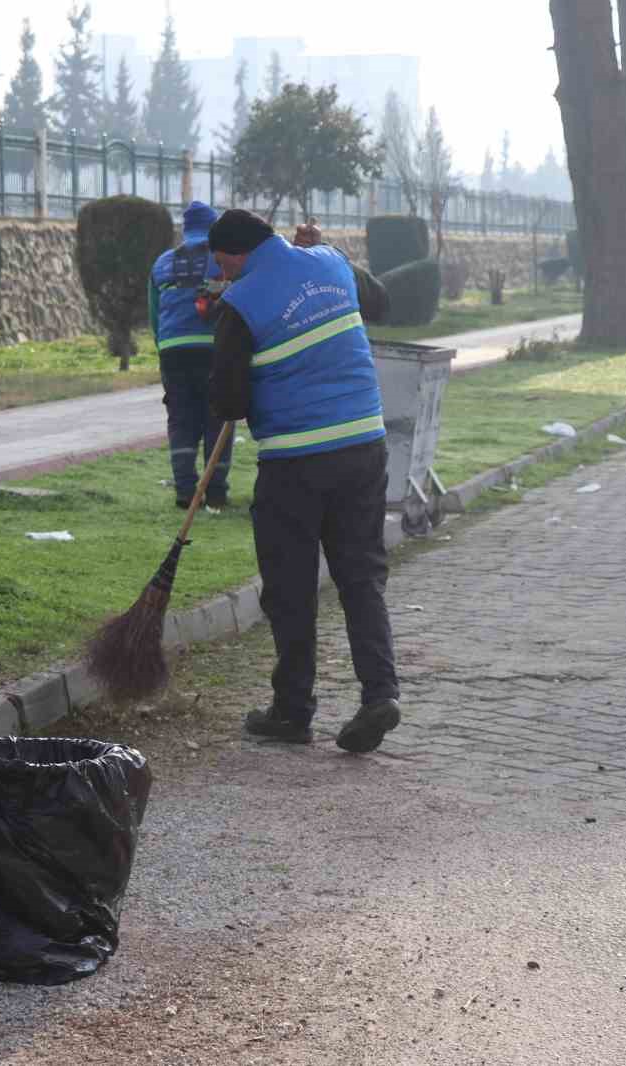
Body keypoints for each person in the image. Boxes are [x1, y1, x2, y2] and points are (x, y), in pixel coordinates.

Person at [205, 209, 400, 753]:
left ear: (237, 254)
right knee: (361, 577)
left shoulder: (240, 305)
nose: (223, 276)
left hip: (295, 461)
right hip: (365, 445)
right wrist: (322, 251)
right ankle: (380, 693)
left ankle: (293, 711)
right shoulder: (332, 262)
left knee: (291, 589)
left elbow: (229, 402)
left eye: (223, 265)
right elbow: (380, 302)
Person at [149, 201, 231, 510]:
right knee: (217, 417)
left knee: (181, 419)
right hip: (214, 350)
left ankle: (185, 490)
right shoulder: (223, 261)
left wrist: (164, 346)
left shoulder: (162, 263)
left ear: (185, 230)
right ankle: (216, 492)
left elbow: (155, 314)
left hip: (174, 351)